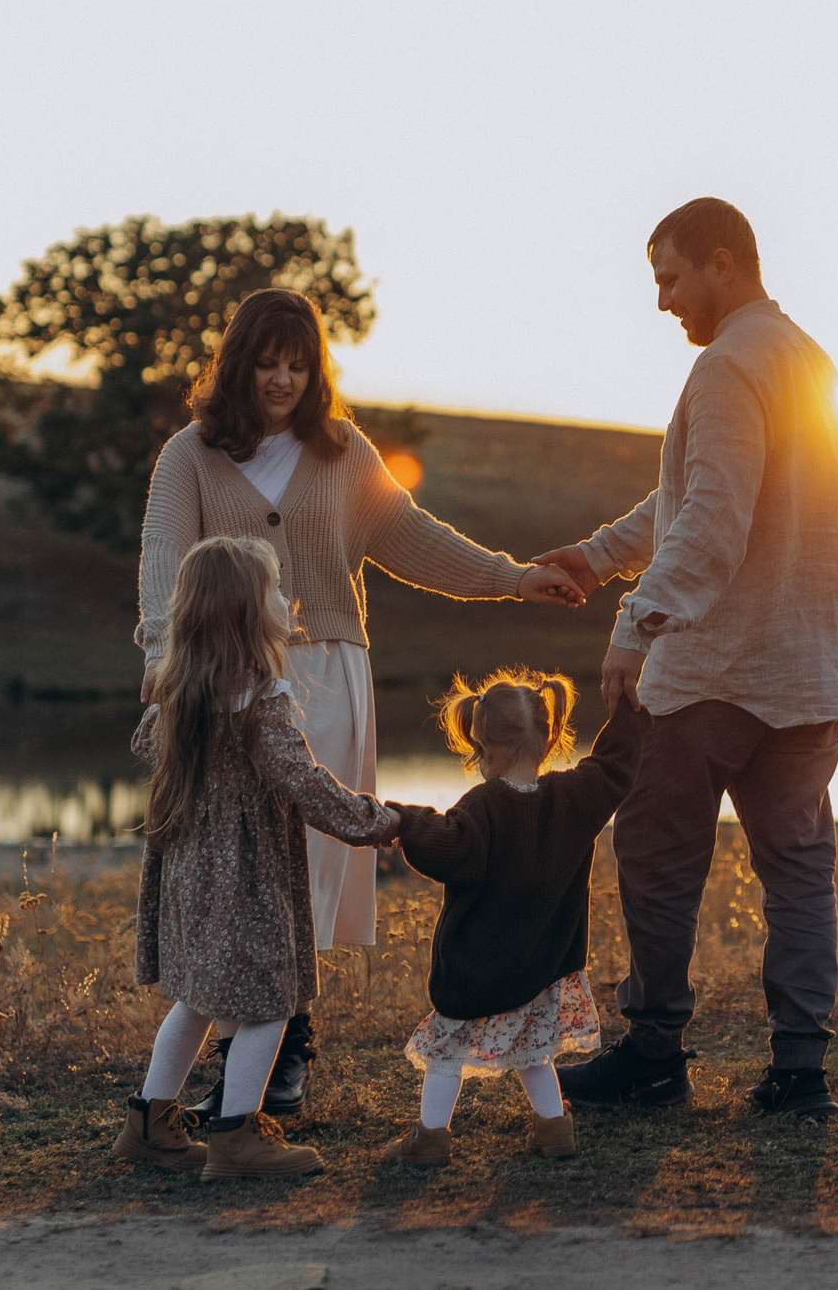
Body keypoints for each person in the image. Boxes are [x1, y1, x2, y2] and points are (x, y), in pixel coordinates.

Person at [135, 287, 585, 1115]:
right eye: (267, 363)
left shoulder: (343, 452)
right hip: (222, 684)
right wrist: (165, 665)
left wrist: (514, 578)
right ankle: (245, 1060)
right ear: (237, 363)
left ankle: (281, 1055)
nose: (282, 379)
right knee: (239, 866)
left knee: (301, 868)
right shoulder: (188, 456)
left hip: (328, 678)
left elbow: (417, 541)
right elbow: (163, 564)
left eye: (298, 365)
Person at [533, 198, 838, 1121]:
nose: (663, 302)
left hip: (717, 668)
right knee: (802, 867)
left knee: (656, 857)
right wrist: (600, 555)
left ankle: (652, 1058)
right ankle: (801, 1074)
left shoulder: (728, 365)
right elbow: (693, 498)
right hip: (806, 667)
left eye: (669, 278)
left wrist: (635, 624)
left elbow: (714, 520)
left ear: (723, 265)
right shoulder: (805, 357)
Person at [114, 534, 402, 1178]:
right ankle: (236, 1137)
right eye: (274, 590)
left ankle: (149, 1123)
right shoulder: (260, 702)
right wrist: (376, 821)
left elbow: (145, 745)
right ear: (250, 613)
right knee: (271, 1002)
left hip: (190, 873)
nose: (285, 599)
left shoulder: (181, 697)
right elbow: (302, 783)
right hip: (247, 879)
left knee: (195, 997)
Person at [380, 671, 644, 1167]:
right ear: (547, 737)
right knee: (533, 1049)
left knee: (445, 1054)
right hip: (542, 967)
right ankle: (554, 1130)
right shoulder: (576, 797)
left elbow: (444, 843)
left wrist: (402, 820)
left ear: (484, 749)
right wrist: (632, 703)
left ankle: (431, 1139)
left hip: (478, 969)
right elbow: (615, 763)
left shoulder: (482, 808)